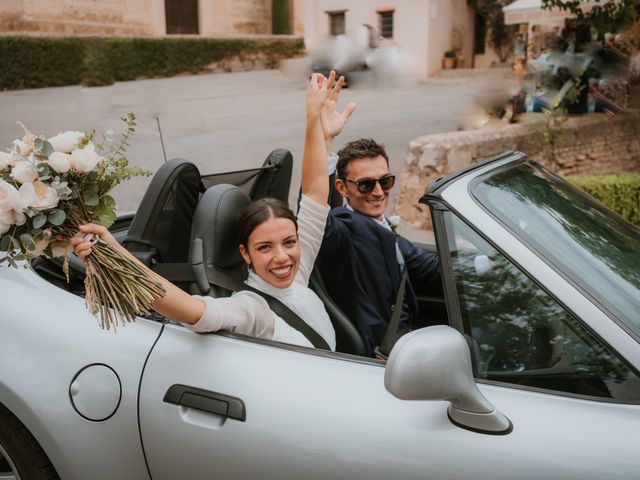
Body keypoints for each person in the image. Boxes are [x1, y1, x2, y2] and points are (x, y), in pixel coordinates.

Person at [71, 72, 347, 351]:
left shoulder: (297, 272)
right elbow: (194, 311)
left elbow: (314, 194)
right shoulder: (253, 308)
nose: (282, 256)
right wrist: (117, 256)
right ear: (244, 253)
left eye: (289, 242)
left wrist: (318, 127)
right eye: (264, 247)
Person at [317, 131, 440, 358]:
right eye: (366, 185)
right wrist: (323, 142)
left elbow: (433, 268)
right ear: (342, 188)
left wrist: (492, 261)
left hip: (406, 343)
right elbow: (315, 218)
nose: (378, 192)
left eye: (385, 181)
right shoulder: (344, 230)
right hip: (376, 358)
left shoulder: (384, 230)